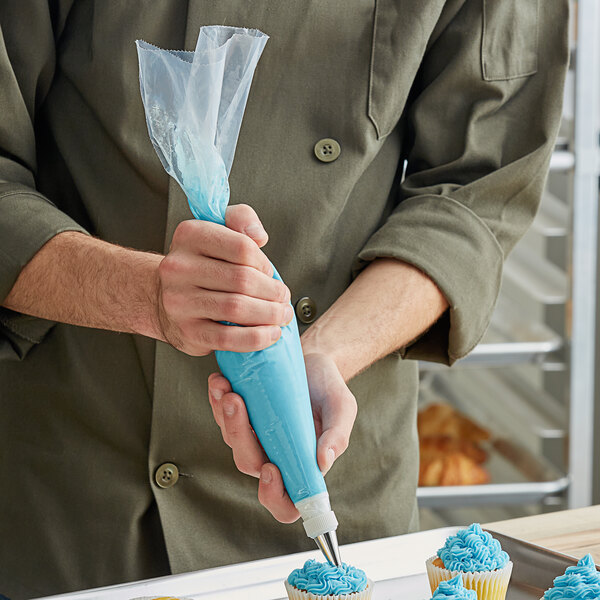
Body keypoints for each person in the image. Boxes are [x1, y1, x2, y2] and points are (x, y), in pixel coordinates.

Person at [0, 1, 569, 598]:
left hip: (343, 465)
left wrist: (321, 356)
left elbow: (480, 188)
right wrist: (143, 294)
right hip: (78, 488)